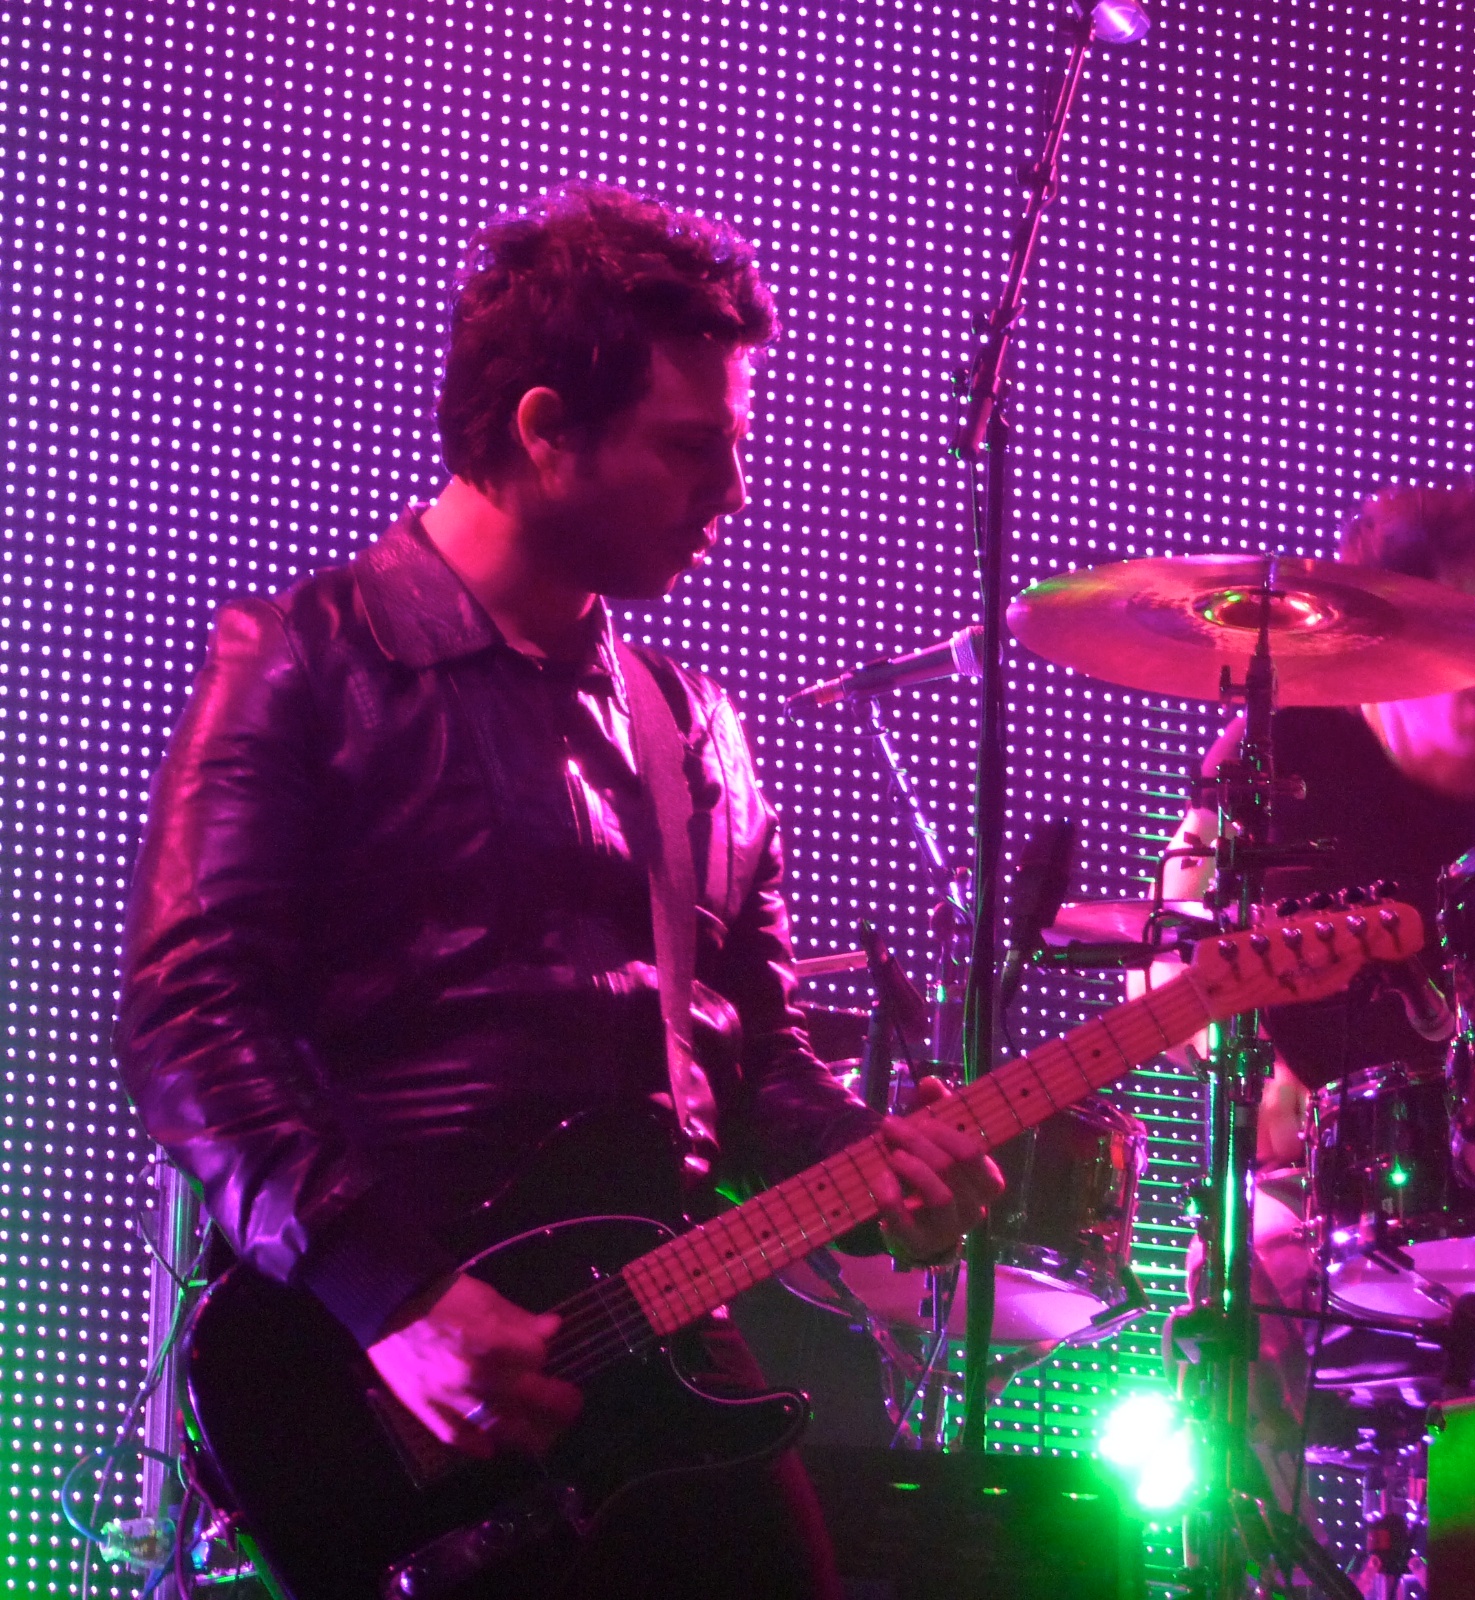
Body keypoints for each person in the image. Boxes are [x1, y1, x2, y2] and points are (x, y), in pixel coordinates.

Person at [115, 181, 1001, 1599]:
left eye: (735, 447)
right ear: (542, 431)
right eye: (689, 449)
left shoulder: (695, 728)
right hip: (378, 1374)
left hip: (651, 1343)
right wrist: (397, 1302)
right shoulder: (304, 661)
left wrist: (869, 1157)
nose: (734, 493)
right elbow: (186, 1020)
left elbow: (754, 1049)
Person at [1157, 479, 1475, 1562]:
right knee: (1235, 1283)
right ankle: (1254, 1573)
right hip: (1312, 1190)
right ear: (1404, 622)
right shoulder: (1281, 766)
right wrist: (1241, 1056)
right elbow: (1170, 964)